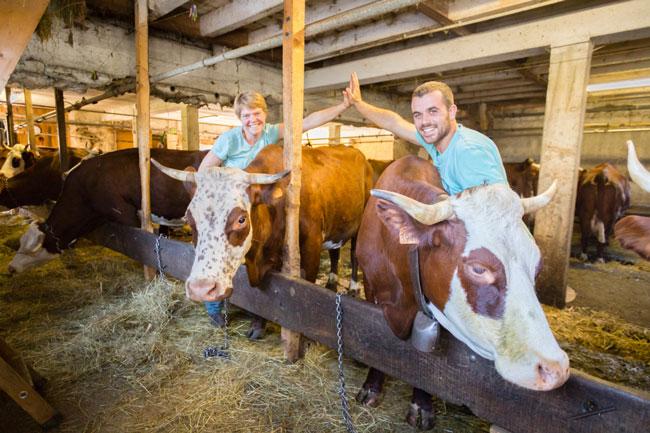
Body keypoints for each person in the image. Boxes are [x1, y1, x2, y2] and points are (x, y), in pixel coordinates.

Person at [199, 90, 350, 326]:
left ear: (264, 114)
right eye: (247, 115)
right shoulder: (229, 140)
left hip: (259, 208)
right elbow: (204, 170)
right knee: (221, 253)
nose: (253, 120)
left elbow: (307, 123)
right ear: (240, 117)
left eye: (257, 113)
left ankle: (259, 308)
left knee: (263, 257)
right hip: (234, 209)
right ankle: (214, 305)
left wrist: (342, 106)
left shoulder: (269, 133)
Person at [344, 72, 507, 195]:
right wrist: (358, 104)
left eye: (433, 111)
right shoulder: (435, 141)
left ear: (451, 112)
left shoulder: (468, 152)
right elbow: (394, 123)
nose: (424, 122)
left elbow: (495, 213)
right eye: (418, 114)